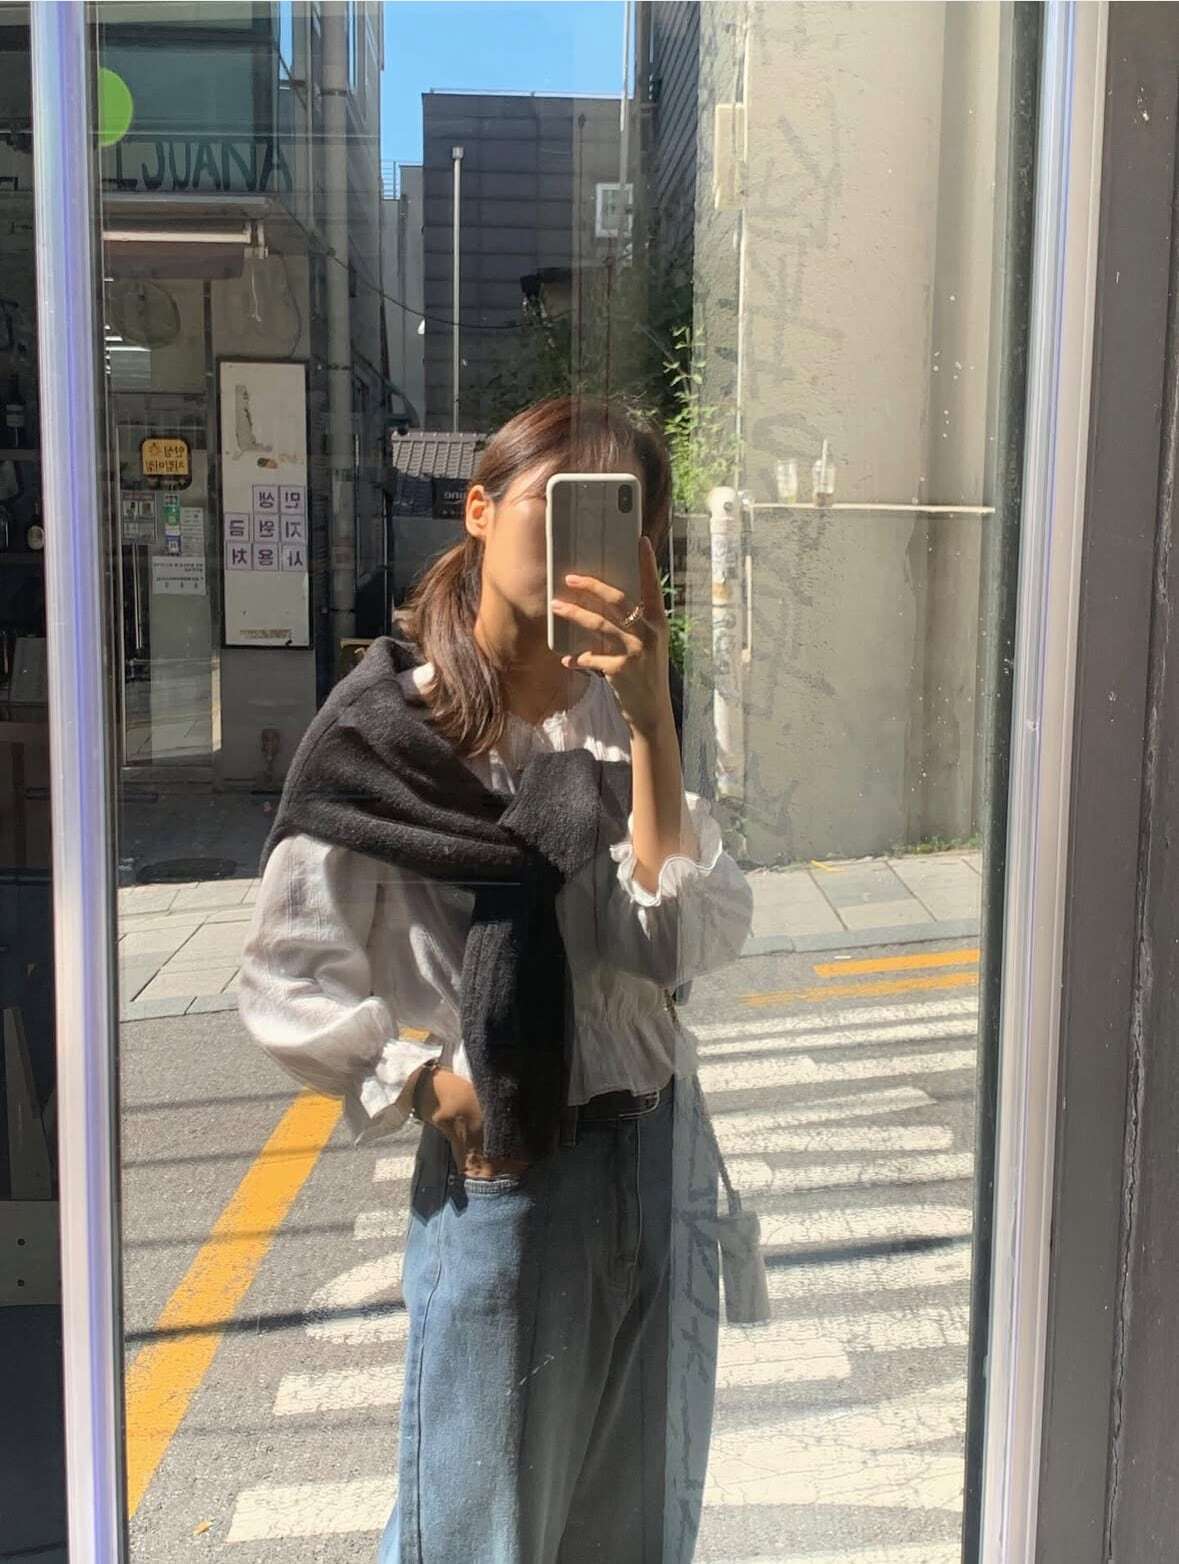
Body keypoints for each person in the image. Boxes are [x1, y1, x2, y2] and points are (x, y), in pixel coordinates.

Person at [236, 396, 754, 1563]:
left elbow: (672, 944)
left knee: (633, 1528)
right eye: (558, 505)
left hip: (655, 1153)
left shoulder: (622, 715)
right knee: (478, 1534)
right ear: (477, 510)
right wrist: (429, 1083)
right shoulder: (389, 733)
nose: (591, 543)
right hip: (511, 1181)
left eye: (624, 518)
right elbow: (285, 972)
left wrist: (654, 725)